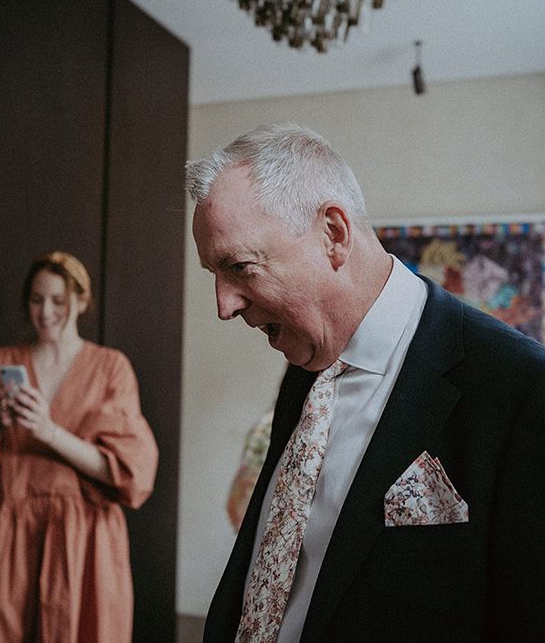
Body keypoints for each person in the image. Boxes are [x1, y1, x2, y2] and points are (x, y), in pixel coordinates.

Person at [186, 123, 545, 642]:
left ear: (333, 234)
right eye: (214, 275)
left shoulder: (521, 388)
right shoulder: (306, 365)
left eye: (240, 267)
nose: (224, 305)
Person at [0, 251, 158, 643]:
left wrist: (48, 431)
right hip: (3, 536)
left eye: (58, 300)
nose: (46, 312)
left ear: (81, 302)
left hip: (80, 540)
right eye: (37, 300)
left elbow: (126, 473)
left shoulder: (110, 368)